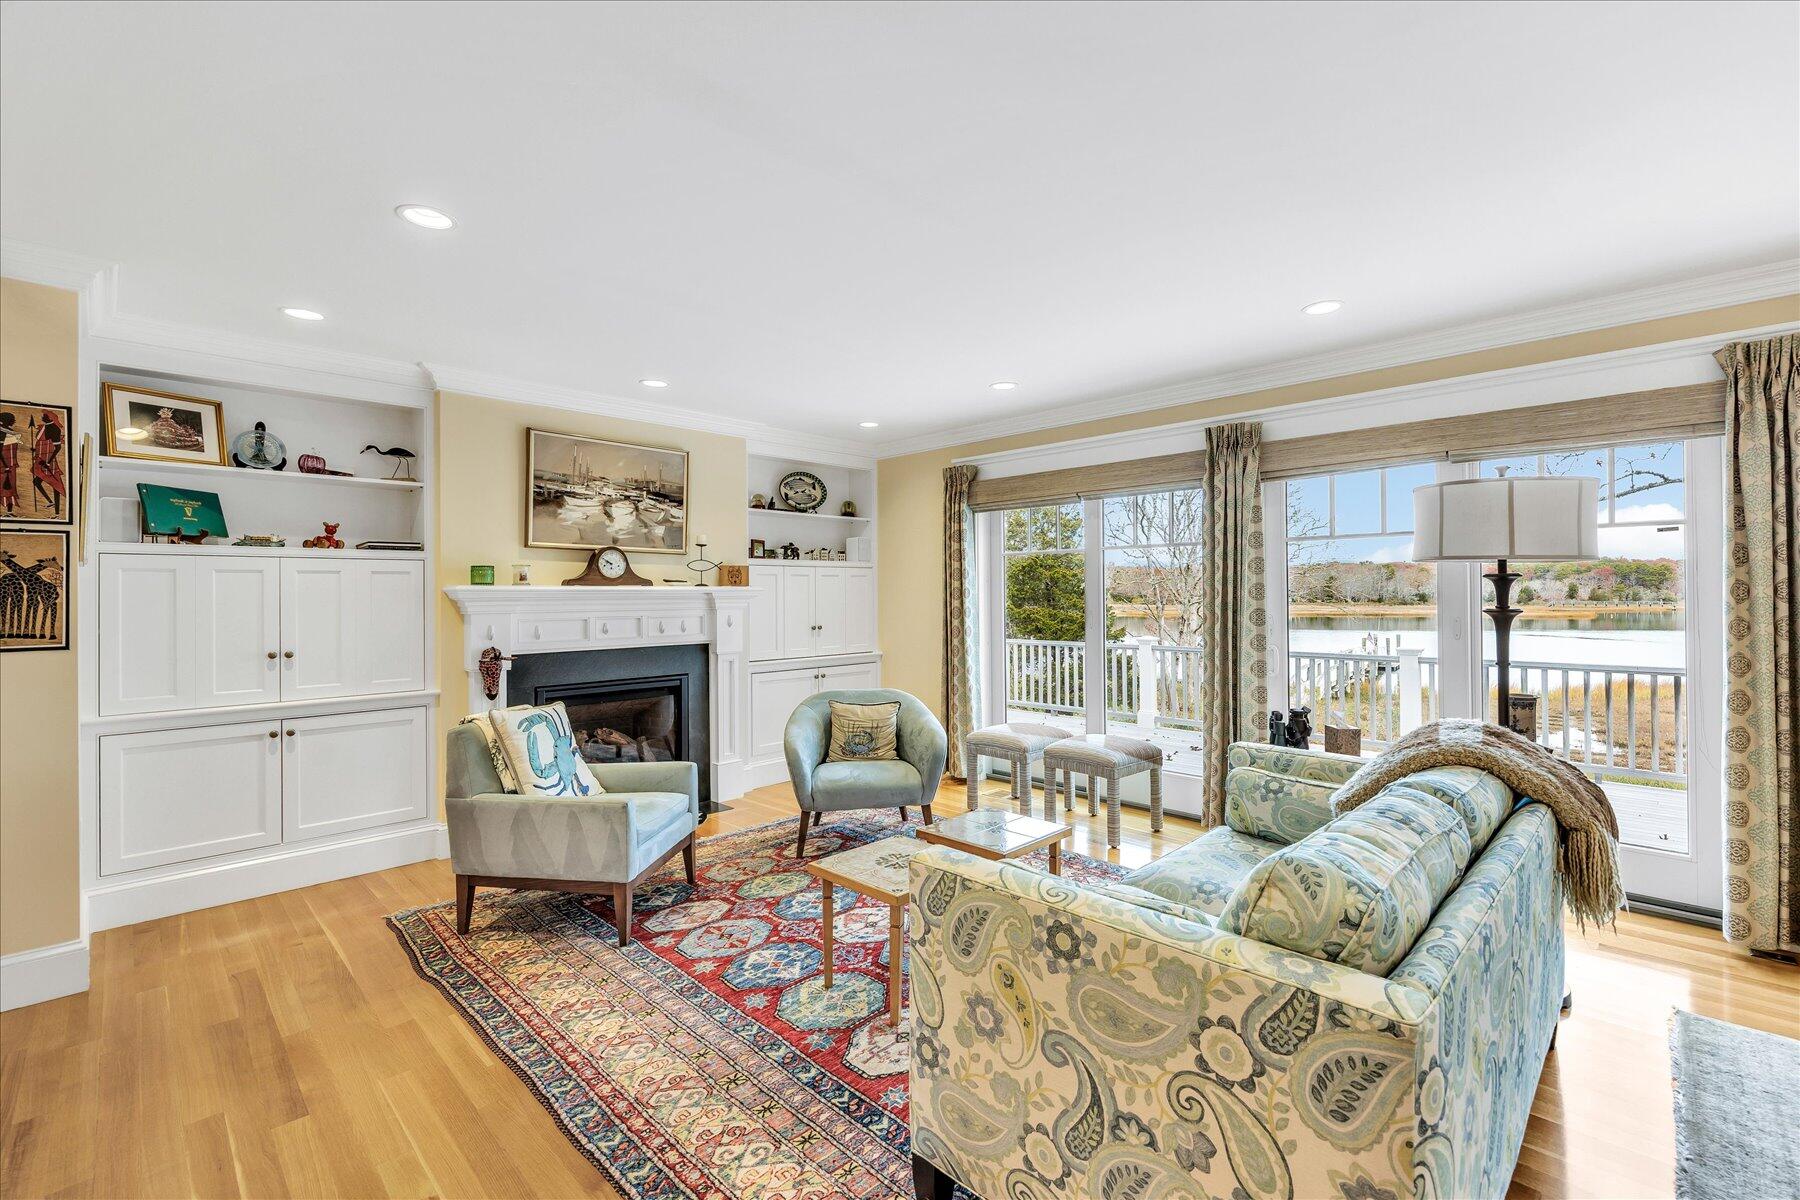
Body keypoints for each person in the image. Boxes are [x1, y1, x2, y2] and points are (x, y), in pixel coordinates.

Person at [32, 409, 65, 517]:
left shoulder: (54, 429)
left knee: (55, 484)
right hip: (41, 459)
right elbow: (43, 444)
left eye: (44, 416)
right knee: (36, 481)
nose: (42, 417)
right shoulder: (44, 427)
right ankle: (51, 502)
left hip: (49, 461)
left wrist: (49, 462)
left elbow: (58, 447)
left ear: (50, 418)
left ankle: (57, 514)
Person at [0, 413, 19, 516]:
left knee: (10, 488)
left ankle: (9, 511)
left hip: (10, 465)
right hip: (4, 465)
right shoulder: (2, 433)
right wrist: (5, 466)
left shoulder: (10, 433)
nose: (14, 421)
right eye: (12, 419)